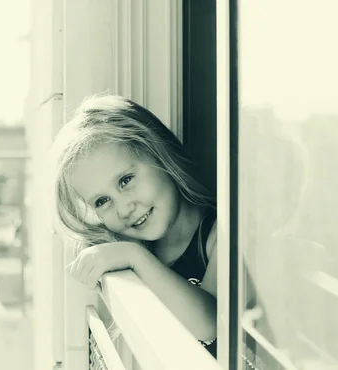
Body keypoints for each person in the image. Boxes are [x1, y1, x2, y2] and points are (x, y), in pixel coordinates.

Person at [51, 94, 219, 356]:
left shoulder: (221, 236)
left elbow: (209, 323)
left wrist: (134, 256)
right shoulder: (139, 253)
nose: (124, 208)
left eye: (126, 180)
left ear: (161, 155)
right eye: (102, 200)